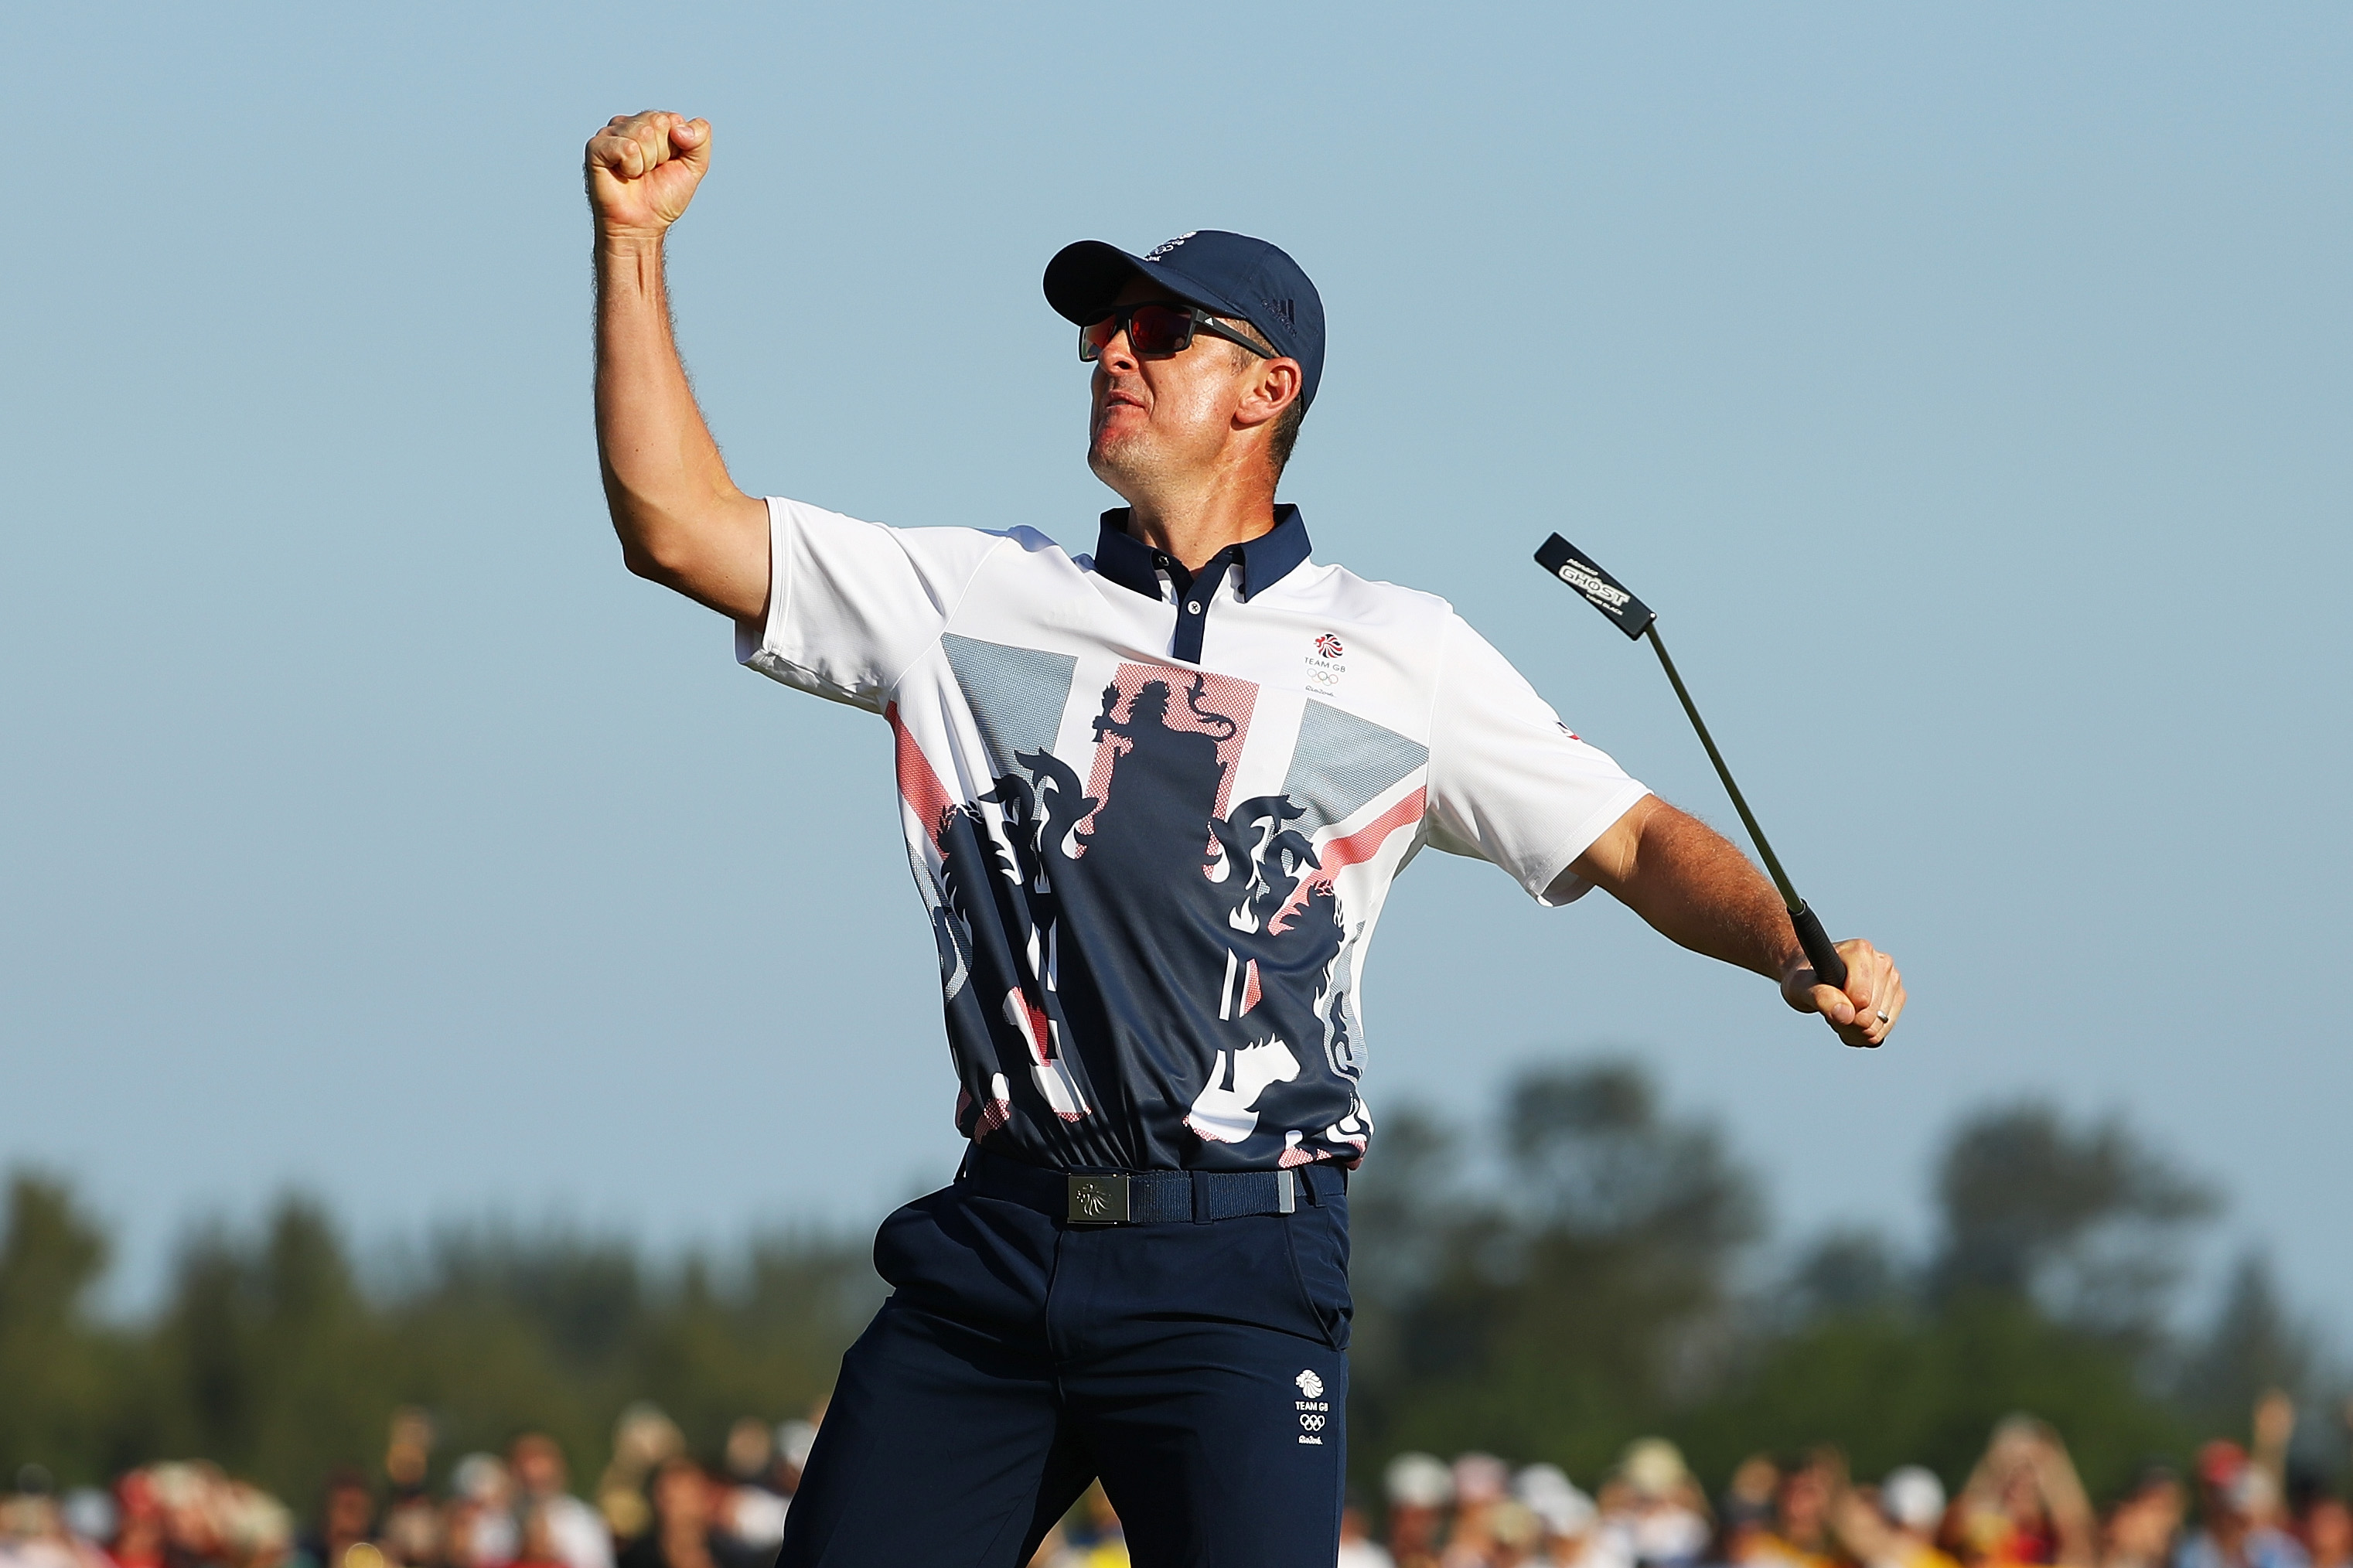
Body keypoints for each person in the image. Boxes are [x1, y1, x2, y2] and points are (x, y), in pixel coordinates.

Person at [582, 106, 1906, 1568]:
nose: (1111, 352)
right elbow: (673, 522)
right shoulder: (963, 598)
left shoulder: (1405, 652)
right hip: (999, 1244)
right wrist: (632, 246)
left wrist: (1798, 946)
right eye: (1102, 331)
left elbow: (1635, 839)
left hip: (1240, 1262)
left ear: (1266, 388)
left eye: (1159, 330)